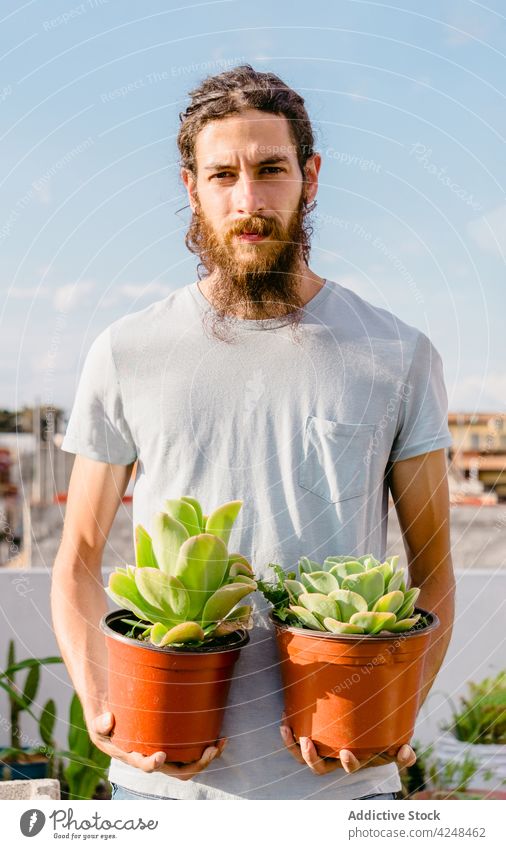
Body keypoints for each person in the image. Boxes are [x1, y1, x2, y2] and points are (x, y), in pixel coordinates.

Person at [51, 64, 455, 801]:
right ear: (190, 187)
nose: (248, 200)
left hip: (346, 787)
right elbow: (75, 560)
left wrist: (398, 709)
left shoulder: (399, 355)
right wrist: (104, 707)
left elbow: (435, 573)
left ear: (311, 176)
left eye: (271, 170)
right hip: (162, 787)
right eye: (223, 174)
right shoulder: (125, 350)